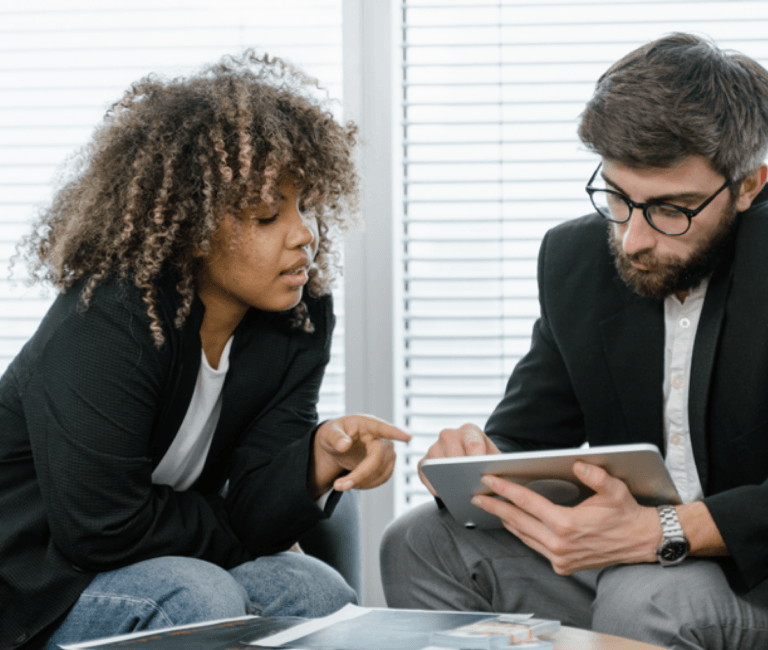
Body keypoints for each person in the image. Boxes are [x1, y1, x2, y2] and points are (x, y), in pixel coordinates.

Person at [0, 51, 410, 650]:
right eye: (269, 215)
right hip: (34, 581)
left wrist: (313, 463)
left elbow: (253, 504)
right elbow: (102, 532)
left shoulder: (296, 318)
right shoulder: (109, 320)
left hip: (151, 558)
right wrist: (237, 527)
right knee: (199, 596)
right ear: (193, 227)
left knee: (312, 587)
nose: (304, 235)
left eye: (307, 206)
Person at [380, 33, 768, 650]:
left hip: (754, 579)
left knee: (646, 595)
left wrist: (662, 530)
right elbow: (529, 435)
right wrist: (474, 460)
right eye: (617, 196)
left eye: (672, 209)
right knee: (420, 541)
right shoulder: (576, 258)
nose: (634, 239)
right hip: (636, 561)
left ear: (748, 187)